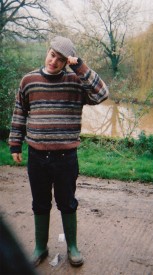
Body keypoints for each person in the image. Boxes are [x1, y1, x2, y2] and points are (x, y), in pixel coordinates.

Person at [8, 36, 109, 267]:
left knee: (67, 202)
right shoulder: (29, 80)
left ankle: (72, 247)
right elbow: (19, 113)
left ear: (67, 63)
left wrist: (81, 67)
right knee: (40, 203)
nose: (54, 61)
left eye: (61, 59)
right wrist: (15, 143)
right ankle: (40, 247)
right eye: (53, 55)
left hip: (66, 157)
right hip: (36, 156)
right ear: (48, 51)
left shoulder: (76, 82)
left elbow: (102, 94)